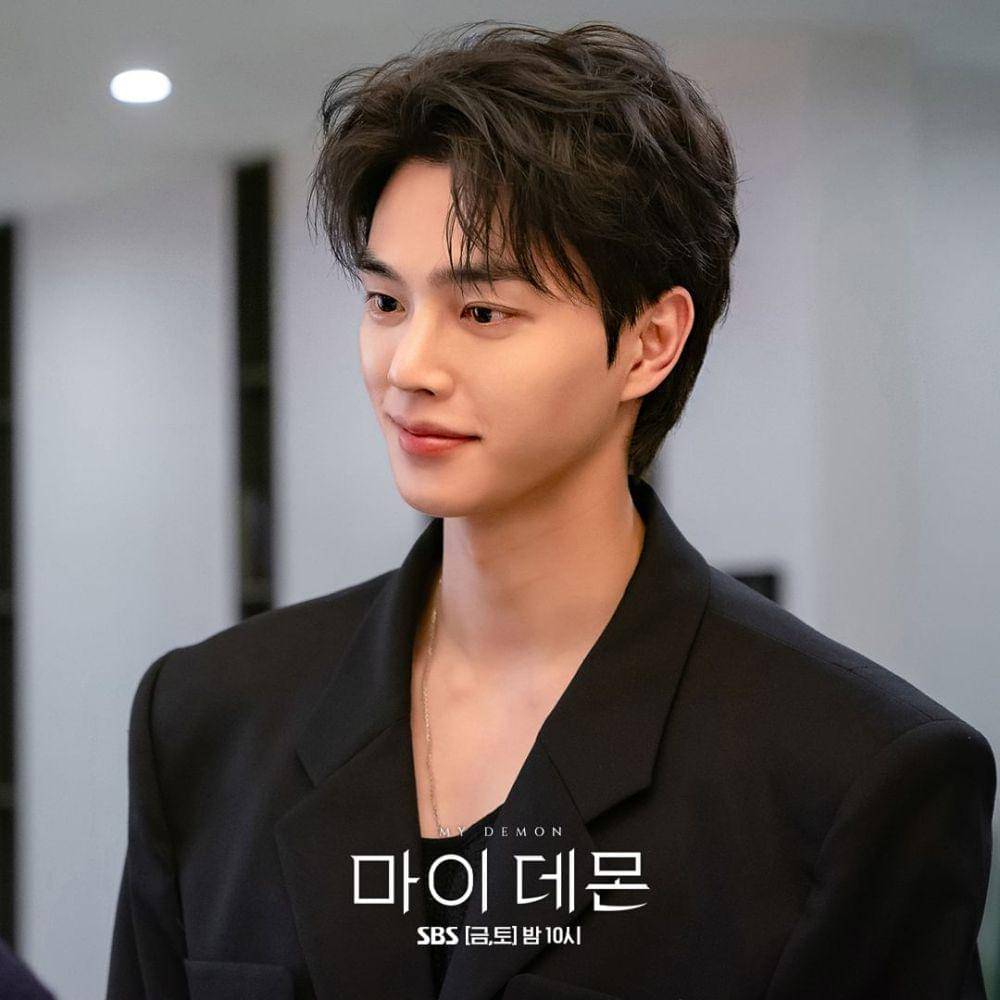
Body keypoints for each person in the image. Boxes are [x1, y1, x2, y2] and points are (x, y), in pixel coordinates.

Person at [106, 20, 996, 1000]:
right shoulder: (207, 720)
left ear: (650, 341)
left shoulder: (852, 776)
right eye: (385, 302)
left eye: (482, 312)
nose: (408, 368)